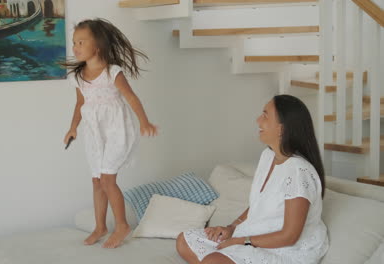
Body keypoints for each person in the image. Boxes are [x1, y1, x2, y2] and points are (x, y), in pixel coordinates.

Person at [176, 95, 329, 264]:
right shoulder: (268, 156)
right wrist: (231, 228)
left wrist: (242, 241)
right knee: (184, 240)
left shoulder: (299, 172)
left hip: (286, 250)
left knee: (213, 261)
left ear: (281, 129)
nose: (258, 120)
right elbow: (259, 204)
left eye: (265, 115)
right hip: (255, 235)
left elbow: (290, 236)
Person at [62, 18, 158, 249]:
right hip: (95, 134)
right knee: (96, 181)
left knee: (107, 179)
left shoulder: (112, 72)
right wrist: (73, 127)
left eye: (81, 42)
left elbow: (131, 98)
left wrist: (144, 122)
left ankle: (122, 225)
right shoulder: (78, 76)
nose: (75, 47)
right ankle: (100, 226)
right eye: (74, 42)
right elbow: (80, 104)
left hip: (117, 131)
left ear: (97, 46)